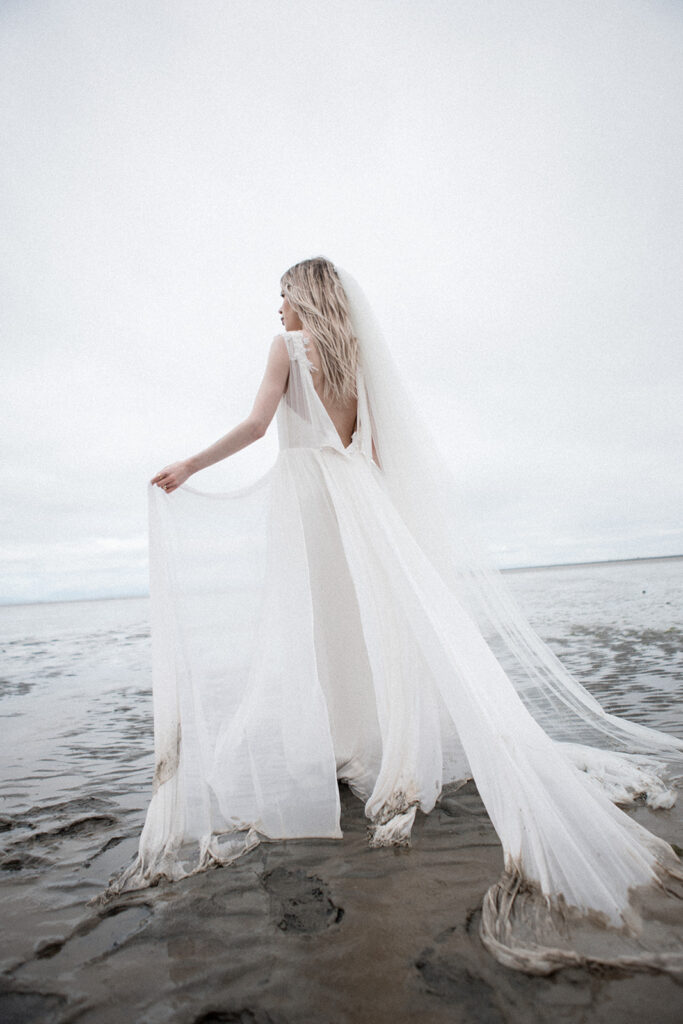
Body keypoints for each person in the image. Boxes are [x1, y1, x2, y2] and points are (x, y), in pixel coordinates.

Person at [98, 257, 683, 973]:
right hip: (357, 499)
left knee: (325, 632)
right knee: (367, 630)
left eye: (280, 297)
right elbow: (372, 448)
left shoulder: (289, 349)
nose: (275, 311)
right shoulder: (353, 356)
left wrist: (188, 466)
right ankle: (366, 743)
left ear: (303, 299)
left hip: (312, 501)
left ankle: (350, 747)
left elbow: (258, 425)